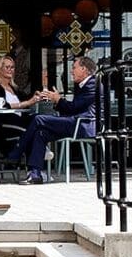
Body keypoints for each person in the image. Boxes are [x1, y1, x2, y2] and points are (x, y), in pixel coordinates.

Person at [16, 53, 99, 183]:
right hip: (76, 122)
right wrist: (57, 101)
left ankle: (16, 153)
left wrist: (58, 99)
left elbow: (74, 107)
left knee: (38, 119)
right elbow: (73, 109)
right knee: (40, 133)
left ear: (84, 69)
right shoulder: (82, 84)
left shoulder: (92, 84)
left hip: (85, 125)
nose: (71, 71)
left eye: (74, 67)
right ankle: (35, 174)